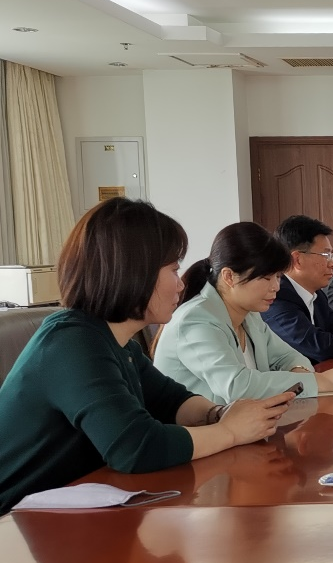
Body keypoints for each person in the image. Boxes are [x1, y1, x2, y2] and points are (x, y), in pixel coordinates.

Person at [0, 198, 291, 514]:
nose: (180, 284)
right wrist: (231, 431)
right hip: (14, 522)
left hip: (66, 512)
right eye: (173, 270)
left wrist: (222, 413)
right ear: (134, 272)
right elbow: (136, 448)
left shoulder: (118, 343)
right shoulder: (72, 341)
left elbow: (172, 402)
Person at [153, 221, 333, 404]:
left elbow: (289, 356)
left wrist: (300, 376)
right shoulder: (196, 320)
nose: (276, 287)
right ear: (229, 277)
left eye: (278, 277)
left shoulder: (249, 315)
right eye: (266, 278)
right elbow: (237, 386)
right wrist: (320, 381)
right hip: (199, 434)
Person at [262, 215, 333, 364]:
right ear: (297, 260)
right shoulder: (277, 297)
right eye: (326, 255)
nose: (332, 264)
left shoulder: (316, 295)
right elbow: (318, 345)